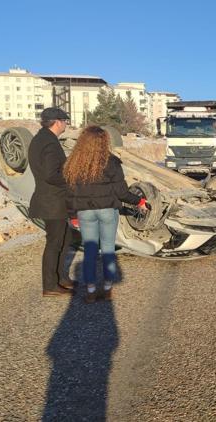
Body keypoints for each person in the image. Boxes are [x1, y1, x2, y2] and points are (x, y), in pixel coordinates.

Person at [63, 126, 149, 303]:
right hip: (108, 211)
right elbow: (122, 192)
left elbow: (69, 194)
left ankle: (91, 291)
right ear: (104, 142)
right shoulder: (112, 162)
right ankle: (108, 289)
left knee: (90, 251)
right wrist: (139, 201)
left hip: (84, 213)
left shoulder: (73, 163)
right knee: (108, 248)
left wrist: (72, 215)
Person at [28, 107, 75, 297]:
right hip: (52, 201)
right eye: (65, 121)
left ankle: (61, 278)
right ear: (57, 122)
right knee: (54, 243)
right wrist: (71, 177)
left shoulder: (41, 139)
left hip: (52, 200)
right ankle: (49, 285)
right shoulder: (48, 142)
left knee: (66, 239)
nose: (66, 124)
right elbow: (50, 174)